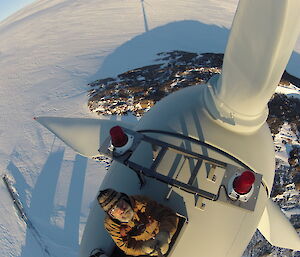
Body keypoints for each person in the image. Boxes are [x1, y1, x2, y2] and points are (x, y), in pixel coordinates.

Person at [97, 188, 179, 256]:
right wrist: (144, 248)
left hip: (163, 234)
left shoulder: (140, 202)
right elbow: (126, 246)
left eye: (120, 203)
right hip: (145, 246)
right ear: (111, 215)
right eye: (114, 209)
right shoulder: (111, 225)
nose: (121, 210)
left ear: (124, 199)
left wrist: (164, 234)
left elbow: (168, 215)